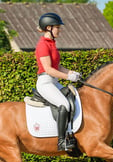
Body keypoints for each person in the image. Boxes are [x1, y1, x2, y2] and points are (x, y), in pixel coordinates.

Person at [35, 12, 81, 151]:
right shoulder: (43, 45)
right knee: (64, 104)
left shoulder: (52, 43)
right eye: (57, 28)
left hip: (54, 81)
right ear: (49, 28)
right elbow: (48, 69)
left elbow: (57, 66)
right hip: (46, 82)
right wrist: (67, 78)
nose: (59, 30)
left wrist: (72, 73)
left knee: (74, 97)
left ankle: (71, 133)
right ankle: (61, 142)